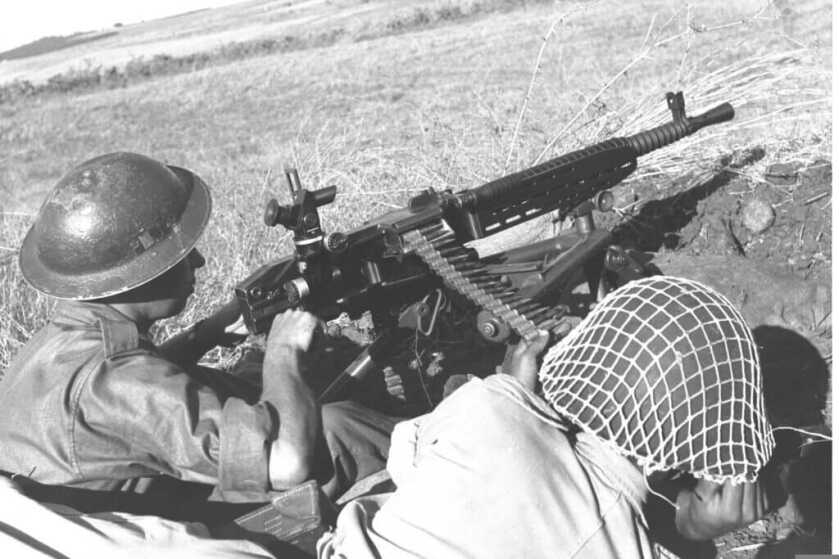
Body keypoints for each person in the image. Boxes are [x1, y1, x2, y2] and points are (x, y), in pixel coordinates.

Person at [0, 152, 397, 513]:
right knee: (338, 429)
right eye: (179, 253)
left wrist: (205, 335)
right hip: (162, 535)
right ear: (139, 272)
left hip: (113, 508)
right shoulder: (117, 377)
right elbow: (286, 462)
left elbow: (127, 398)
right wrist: (283, 351)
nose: (200, 260)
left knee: (251, 381)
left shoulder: (61, 338)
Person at [317, 276, 784, 558]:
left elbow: (404, 459)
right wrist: (696, 530)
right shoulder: (627, 545)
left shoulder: (493, 406)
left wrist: (511, 393)